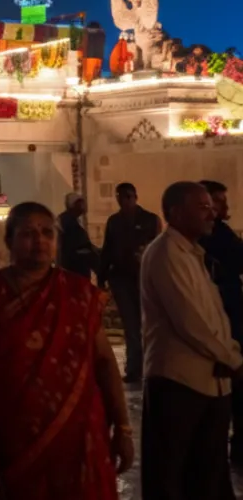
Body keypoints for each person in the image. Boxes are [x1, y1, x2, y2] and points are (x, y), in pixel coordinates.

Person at [0, 202, 132, 499]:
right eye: (27, 233)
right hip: (10, 434)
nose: (39, 241)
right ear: (9, 241)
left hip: (78, 434)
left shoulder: (78, 292)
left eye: (47, 233)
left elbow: (103, 361)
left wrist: (124, 428)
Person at [140, 181, 243, 498]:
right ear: (175, 212)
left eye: (212, 207)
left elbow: (215, 317)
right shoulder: (166, 254)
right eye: (203, 208)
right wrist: (232, 359)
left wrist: (230, 351)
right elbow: (192, 323)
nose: (213, 214)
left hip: (208, 384)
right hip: (179, 384)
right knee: (173, 476)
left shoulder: (192, 254)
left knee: (207, 475)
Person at [99, 182, 160, 383]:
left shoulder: (150, 220)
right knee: (131, 324)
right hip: (121, 278)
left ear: (135, 197)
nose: (124, 201)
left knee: (146, 323)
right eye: (120, 197)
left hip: (143, 278)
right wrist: (101, 277)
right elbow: (107, 249)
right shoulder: (115, 222)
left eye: (127, 196)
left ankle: (147, 365)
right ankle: (134, 367)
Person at [200, 179, 243, 465]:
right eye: (219, 200)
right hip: (217, 329)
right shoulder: (200, 240)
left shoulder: (222, 234)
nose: (225, 206)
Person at [57, 191, 101, 281]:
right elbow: (77, 245)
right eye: (79, 203)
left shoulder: (71, 221)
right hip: (74, 270)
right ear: (72, 205)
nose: (83, 205)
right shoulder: (67, 221)